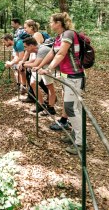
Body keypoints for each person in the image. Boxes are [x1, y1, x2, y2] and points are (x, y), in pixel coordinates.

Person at [33, 12, 86, 155]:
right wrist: (40, 66)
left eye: (52, 22)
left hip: (75, 76)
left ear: (58, 23)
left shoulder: (68, 34)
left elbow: (61, 54)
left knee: (70, 108)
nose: (50, 24)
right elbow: (51, 53)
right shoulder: (59, 37)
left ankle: (81, 143)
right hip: (66, 76)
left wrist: (49, 69)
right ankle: (76, 136)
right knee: (73, 107)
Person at [20, 37, 56, 115]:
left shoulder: (42, 49)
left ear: (31, 46)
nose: (25, 49)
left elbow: (35, 64)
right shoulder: (38, 49)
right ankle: (41, 105)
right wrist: (23, 63)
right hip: (43, 66)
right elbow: (36, 60)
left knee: (50, 86)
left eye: (25, 47)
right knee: (33, 82)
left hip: (48, 67)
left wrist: (23, 64)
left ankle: (51, 108)